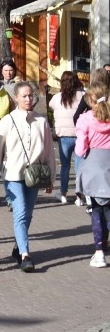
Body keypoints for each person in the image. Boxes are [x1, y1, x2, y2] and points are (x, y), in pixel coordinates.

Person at [0, 82, 56, 273]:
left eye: (30, 95)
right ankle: (25, 255)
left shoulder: (42, 121)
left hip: (34, 175)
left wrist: (51, 178)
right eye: (24, 96)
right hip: (13, 174)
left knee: (28, 214)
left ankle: (18, 247)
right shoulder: (7, 121)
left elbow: (49, 151)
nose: (28, 99)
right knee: (20, 211)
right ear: (15, 98)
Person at [75, 84, 110, 268]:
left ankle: (99, 252)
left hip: (94, 168)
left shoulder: (85, 119)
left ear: (90, 100)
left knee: (96, 211)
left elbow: (80, 149)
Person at [49, 71, 85, 203]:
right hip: (79, 135)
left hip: (63, 136)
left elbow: (51, 107)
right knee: (79, 166)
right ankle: (79, 196)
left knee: (64, 166)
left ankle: (63, 193)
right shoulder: (82, 96)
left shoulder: (57, 97)